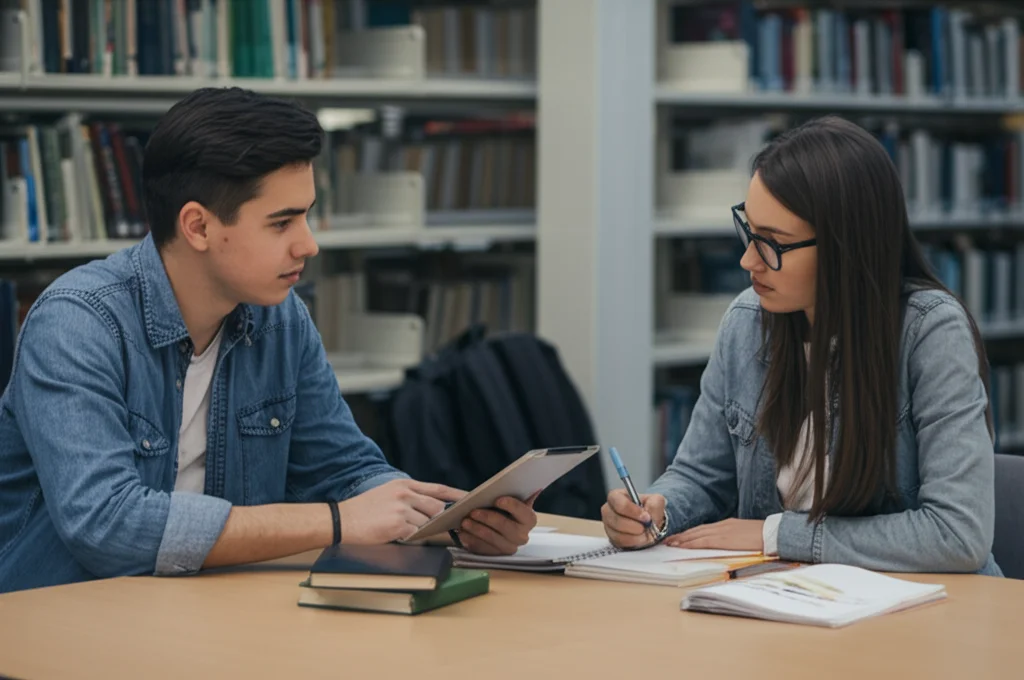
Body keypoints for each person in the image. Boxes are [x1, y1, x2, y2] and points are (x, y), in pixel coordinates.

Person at [0, 87, 536, 593]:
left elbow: (345, 471)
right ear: (199, 227)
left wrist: (450, 521)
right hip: (64, 623)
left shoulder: (281, 321)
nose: (309, 244)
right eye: (282, 223)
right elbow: (106, 525)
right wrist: (337, 521)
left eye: (305, 215)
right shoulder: (78, 323)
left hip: (212, 616)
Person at [603, 115, 1001, 575]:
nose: (748, 259)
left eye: (772, 242)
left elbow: (958, 534)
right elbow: (700, 476)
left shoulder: (930, 333)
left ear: (844, 247)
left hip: (931, 617)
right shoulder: (746, 322)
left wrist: (776, 535)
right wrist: (656, 511)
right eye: (749, 231)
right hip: (790, 603)